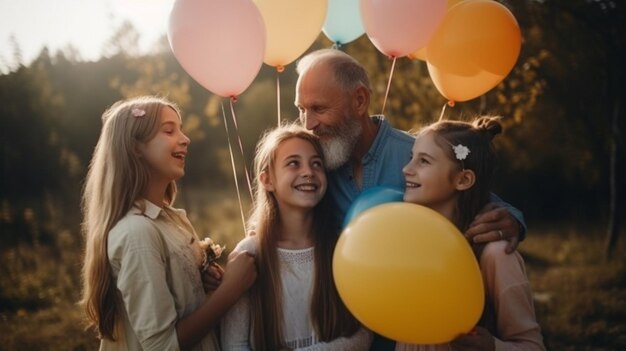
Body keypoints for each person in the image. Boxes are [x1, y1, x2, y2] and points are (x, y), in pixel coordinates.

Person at [294, 48, 527, 350]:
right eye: (301, 109)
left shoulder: (416, 156)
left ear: (360, 101)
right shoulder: (314, 165)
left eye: (319, 108)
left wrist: (512, 220)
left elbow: (476, 196)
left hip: (420, 327)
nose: (307, 123)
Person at [80, 95, 257, 351]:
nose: (185, 139)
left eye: (181, 130)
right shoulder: (136, 232)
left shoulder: (173, 219)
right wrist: (230, 290)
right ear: (135, 147)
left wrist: (202, 283)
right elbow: (163, 346)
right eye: (169, 130)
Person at [398, 116, 545, 350]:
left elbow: (532, 346)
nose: (406, 169)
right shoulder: (410, 242)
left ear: (463, 179)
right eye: (410, 158)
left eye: (423, 161)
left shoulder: (496, 255)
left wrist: (492, 346)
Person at [221, 123, 372, 350]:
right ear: (267, 180)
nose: (308, 172)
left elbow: (361, 336)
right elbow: (234, 344)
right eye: (293, 163)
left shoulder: (342, 247)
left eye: (316, 164)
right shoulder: (251, 253)